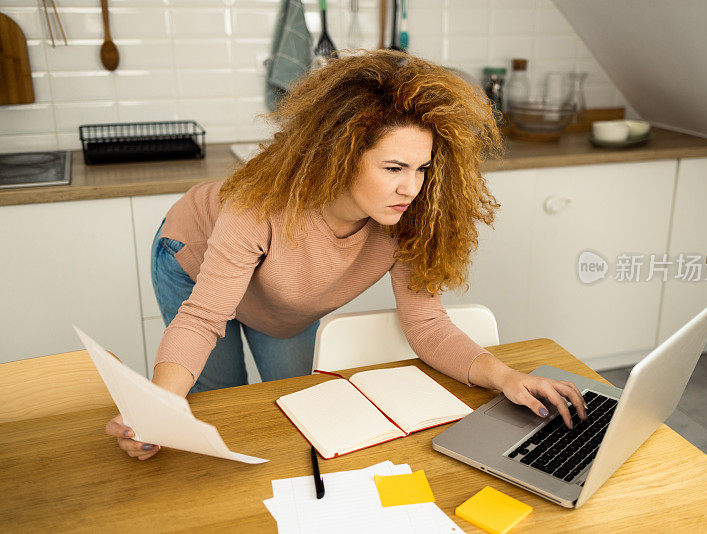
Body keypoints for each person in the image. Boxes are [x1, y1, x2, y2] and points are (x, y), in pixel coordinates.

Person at [105, 50, 587, 460]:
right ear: (338, 153)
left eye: (421, 169)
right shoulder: (258, 204)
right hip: (192, 258)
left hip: (284, 294)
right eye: (394, 167)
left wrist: (506, 377)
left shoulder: (408, 216)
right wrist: (157, 412)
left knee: (290, 403)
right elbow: (204, 317)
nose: (411, 187)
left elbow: (427, 324)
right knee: (222, 400)